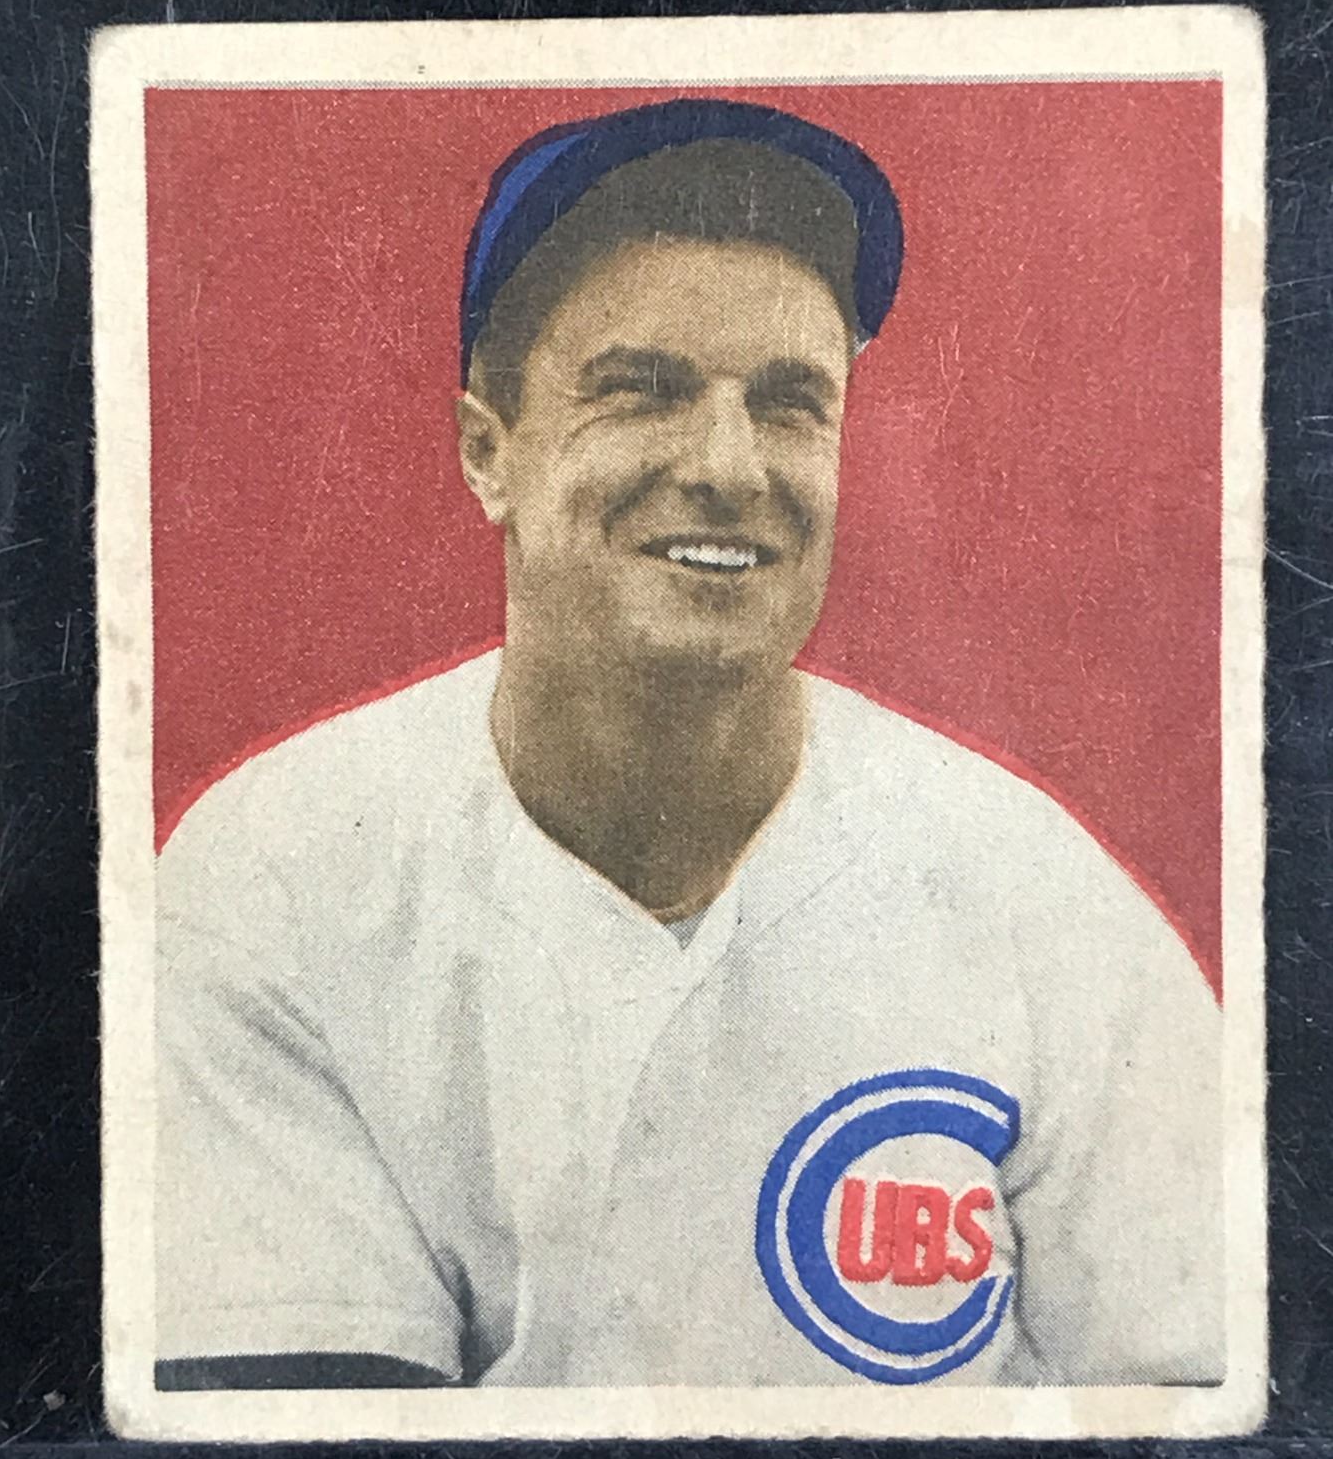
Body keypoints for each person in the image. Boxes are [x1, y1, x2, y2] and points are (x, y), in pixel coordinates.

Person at [155, 98, 1222, 1392]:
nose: (729, 466)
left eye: (789, 404)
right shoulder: (276, 871)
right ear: (488, 455)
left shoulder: (1033, 888)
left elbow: (1202, 1411)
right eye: (642, 391)